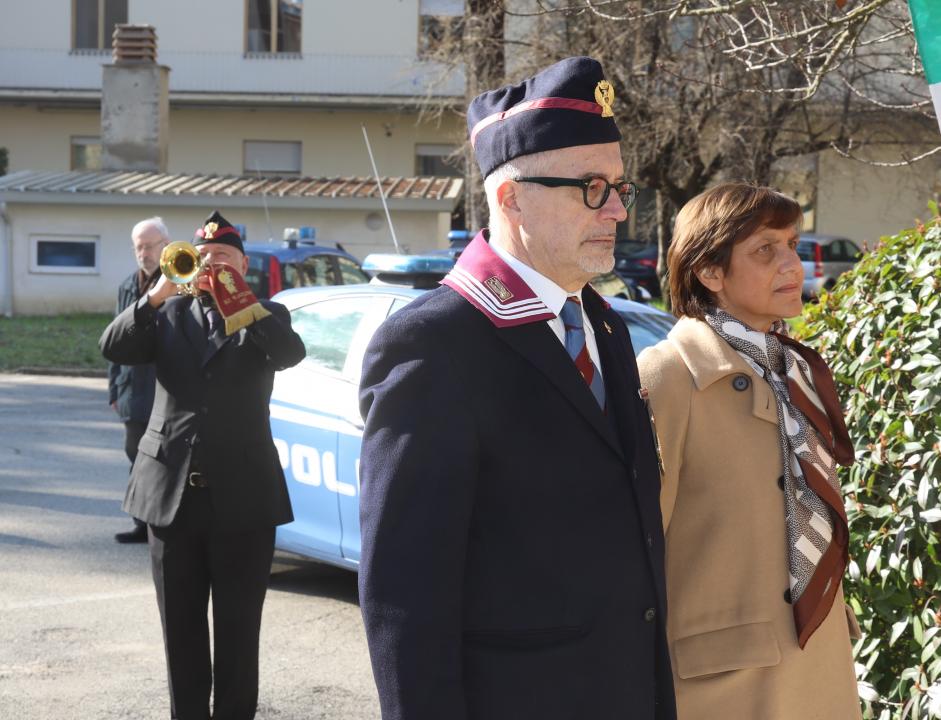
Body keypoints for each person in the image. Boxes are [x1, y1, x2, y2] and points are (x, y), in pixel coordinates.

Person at [358, 56, 676, 720]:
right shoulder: (433, 345)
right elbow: (405, 600)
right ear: (510, 197)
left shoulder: (604, 327)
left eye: (619, 185)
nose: (617, 208)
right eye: (591, 186)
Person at [636, 183, 861, 719]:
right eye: (766, 250)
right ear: (710, 273)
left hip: (817, 665)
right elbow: (634, 550)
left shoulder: (799, 368)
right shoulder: (667, 376)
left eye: (792, 245)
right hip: (723, 688)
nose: (793, 264)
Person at [99, 211, 306, 720]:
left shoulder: (267, 317)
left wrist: (241, 302)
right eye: (204, 256)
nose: (212, 264)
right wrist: (160, 292)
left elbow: (289, 354)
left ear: (243, 264)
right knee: (181, 634)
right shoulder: (166, 315)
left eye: (224, 257)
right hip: (172, 499)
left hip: (243, 502)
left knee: (238, 636)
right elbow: (113, 346)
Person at [108, 216, 169, 543]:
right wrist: (114, 389)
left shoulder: (176, 282)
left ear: (165, 246)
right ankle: (141, 523)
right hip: (133, 389)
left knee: (164, 460)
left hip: (164, 388)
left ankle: (162, 523)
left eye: (149, 246)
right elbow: (115, 342)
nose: (143, 253)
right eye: (138, 247)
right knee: (136, 456)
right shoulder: (127, 286)